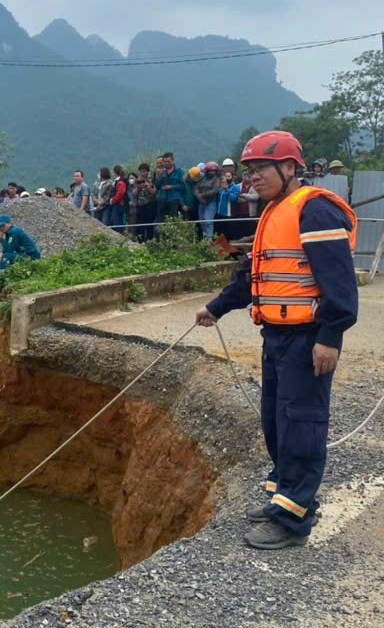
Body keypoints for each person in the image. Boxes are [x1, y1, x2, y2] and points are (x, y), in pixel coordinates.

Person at [195, 130, 359, 550]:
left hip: (307, 339)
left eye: (259, 169)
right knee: (277, 421)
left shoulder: (315, 212)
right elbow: (253, 275)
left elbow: (340, 284)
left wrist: (331, 335)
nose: (252, 179)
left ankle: (292, 520)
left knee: (302, 424)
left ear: (289, 168)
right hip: (277, 336)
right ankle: (287, 497)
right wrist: (216, 307)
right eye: (248, 171)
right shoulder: (274, 212)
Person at [154, 153, 187, 220]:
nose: (166, 163)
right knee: (160, 219)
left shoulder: (179, 172)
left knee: (173, 219)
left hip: (173, 199)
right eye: (165, 161)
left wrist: (171, 187)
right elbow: (157, 186)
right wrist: (158, 177)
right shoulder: (161, 172)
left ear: (172, 161)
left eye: (168, 161)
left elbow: (182, 186)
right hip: (161, 199)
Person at [195, 162, 222, 239]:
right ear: (207, 171)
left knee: (208, 221)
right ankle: (204, 239)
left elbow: (214, 191)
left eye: (214, 171)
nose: (212, 173)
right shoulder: (202, 179)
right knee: (202, 222)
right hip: (201, 203)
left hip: (211, 203)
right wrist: (199, 197)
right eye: (210, 171)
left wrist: (202, 195)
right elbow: (196, 188)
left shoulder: (216, 180)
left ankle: (209, 240)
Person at [133, 162, 158, 240]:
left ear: (148, 171)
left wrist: (148, 187)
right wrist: (138, 188)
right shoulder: (137, 180)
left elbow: (155, 192)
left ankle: (150, 240)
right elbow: (134, 193)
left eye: (144, 171)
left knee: (149, 224)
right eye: (141, 171)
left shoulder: (152, 180)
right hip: (140, 205)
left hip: (150, 204)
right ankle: (140, 241)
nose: (142, 173)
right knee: (139, 225)